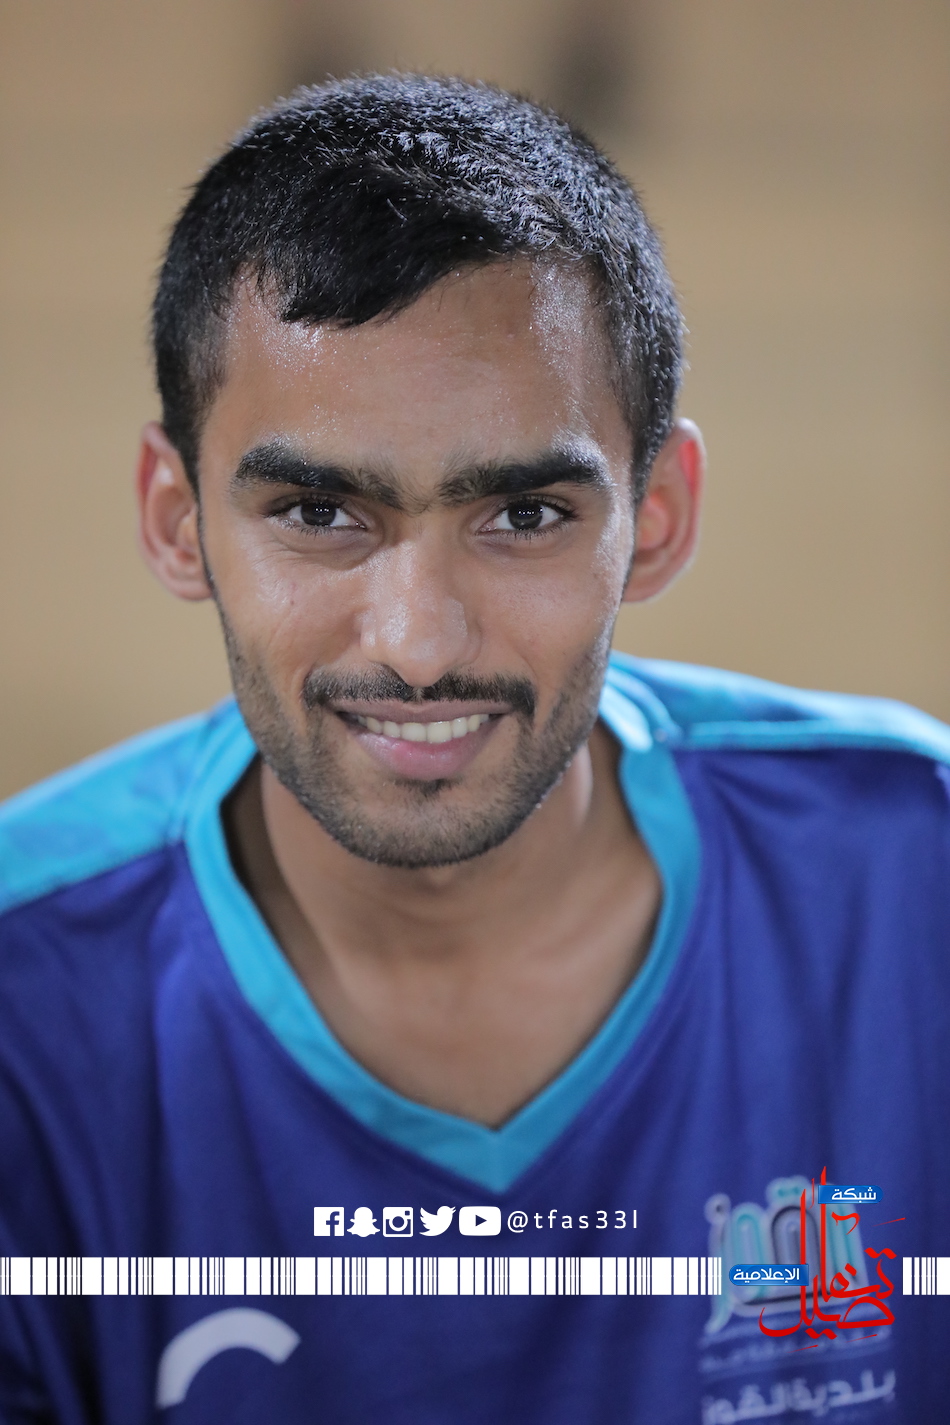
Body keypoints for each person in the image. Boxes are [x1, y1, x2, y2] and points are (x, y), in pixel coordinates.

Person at [0, 73, 948, 1425]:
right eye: (318, 511)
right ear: (176, 518)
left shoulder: (916, 880)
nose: (420, 643)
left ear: (657, 515)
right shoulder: (26, 997)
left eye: (523, 515)